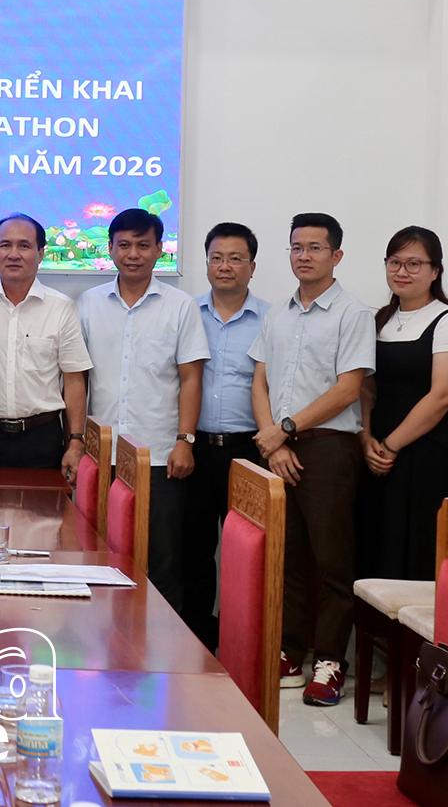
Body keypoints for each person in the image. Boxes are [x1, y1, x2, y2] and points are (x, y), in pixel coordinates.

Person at [249, 212, 374, 707]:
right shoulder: (278, 312)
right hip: (279, 446)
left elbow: (348, 389)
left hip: (328, 446)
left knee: (330, 559)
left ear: (336, 256)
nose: (304, 256)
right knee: (290, 556)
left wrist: (286, 430)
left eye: (315, 248)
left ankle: (330, 660)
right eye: (297, 247)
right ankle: (291, 652)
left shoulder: (353, 314)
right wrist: (274, 441)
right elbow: (260, 377)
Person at [77, 208, 208, 619]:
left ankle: (164, 649)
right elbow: (77, 377)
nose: (133, 254)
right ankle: (101, 639)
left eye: (143, 245)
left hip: (160, 455)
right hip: (101, 456)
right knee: (98, 555)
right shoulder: (89, 303)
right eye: (125, 245)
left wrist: (185, 441)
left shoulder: (181, 306)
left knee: (163, 558)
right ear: (110, 249)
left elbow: (190, 377)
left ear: (159, 250)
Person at [359, 226, 448, 581]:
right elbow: (366, 389)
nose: (402, 271)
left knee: (420, 558)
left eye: (413, 263)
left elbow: (442, 396)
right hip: (377, 456)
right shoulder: (380, 318)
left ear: (435, 271)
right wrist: (366, 441)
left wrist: (391, 445)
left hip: (429, 457)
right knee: (377, 551)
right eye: (394, 262)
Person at [190, 222, 269, 651]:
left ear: (252, 267)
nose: (225, 266)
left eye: (236, 258)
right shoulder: (186, 314)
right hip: (197, 448)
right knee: (198, 549)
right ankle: (201, 636)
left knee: (247, 554)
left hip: (250, 450)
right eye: (217, 258)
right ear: (206, 264)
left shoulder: (272, 319)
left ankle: (245, 640)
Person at [0, 213, 92, 472]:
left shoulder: (61, 307)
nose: (13, 254)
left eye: (24, 246)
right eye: (5, 245)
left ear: (40, 254)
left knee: (45, 512)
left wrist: (75, 442)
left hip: (42, 438)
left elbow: (74, 379)